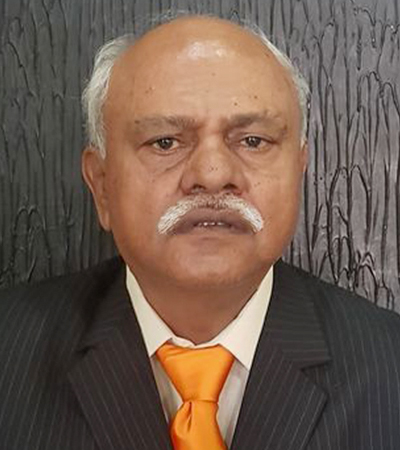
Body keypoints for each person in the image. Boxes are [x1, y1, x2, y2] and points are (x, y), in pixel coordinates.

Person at [1, 13, 400, 450]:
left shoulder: (389, 366)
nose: (212, 175)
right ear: (101, 186)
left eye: (253, 141)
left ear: (299, 169)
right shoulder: (10, 353)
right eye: (165, 142)